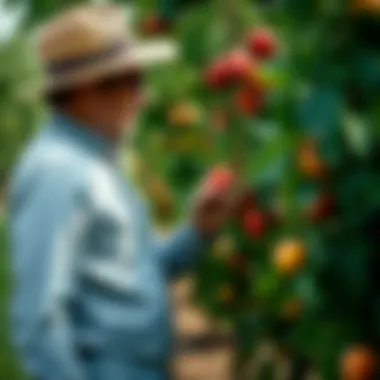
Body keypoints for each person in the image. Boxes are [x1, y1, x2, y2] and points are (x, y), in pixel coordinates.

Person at [8, 4, 233, 380]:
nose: (142, 97)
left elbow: (127, 274)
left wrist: (197, 232)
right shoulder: (57, 171)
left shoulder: (95, 163)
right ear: (85, 88)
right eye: (132, 80)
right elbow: (37, 321)